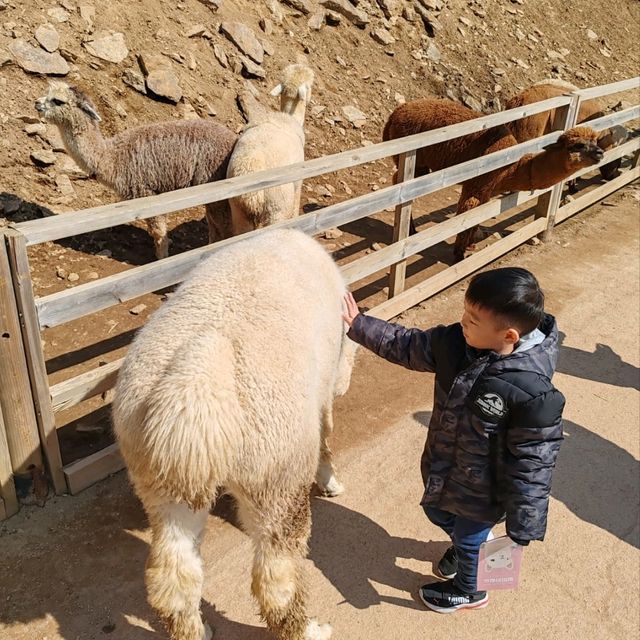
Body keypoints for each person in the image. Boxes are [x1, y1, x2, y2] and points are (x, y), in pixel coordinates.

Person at [343, 267, 565, 613]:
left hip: (485, 489)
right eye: (464, 311)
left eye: (473, 319)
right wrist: (358, 323)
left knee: (469, 532)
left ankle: (470, 589)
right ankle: (469, 548)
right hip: (446, 467)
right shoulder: (456, 344)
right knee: (436, 510)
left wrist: (524, 524)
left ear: (507, 335)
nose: (462, 321)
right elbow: (407, 344)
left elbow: (535, 464)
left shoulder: (531, 392)